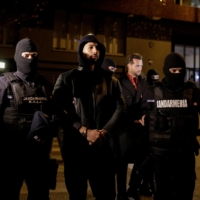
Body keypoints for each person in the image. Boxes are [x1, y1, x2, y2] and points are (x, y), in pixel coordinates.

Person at [52, 34, 126, 200]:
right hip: (75, 150)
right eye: (90, 47)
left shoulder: (111, 81)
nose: (95, 51)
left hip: (102, 150)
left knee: (106, 195)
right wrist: (83, 130)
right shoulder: (66, 78)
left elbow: (121, 109)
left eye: (97, 47)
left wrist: (104, 132)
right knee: (77, 195)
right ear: (81, 51)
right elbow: (57, 109)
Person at [0, 38, 55, 200]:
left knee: (40, 195)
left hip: (38, 155)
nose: (30, 59)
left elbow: (54, 114)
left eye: (34, 55)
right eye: (26, 55)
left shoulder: (44, 84)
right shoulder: (4, 83)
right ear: (18, 56)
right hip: (11, 155)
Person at [144, 52, 200, 200]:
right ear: (165, 70)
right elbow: (142, 115)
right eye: (173, 71)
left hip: (185, 153)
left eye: (180, 71)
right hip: (160, 155)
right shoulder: (153, 91)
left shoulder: (193, 92)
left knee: (185, 192)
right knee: (163, 194)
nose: (177, 74)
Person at [114, 53, 150, 200]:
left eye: (141, 65)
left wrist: (145, 116)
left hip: (140, 128)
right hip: (124, 128)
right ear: (129, 65)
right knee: (121, 163)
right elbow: (117, 106)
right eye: (137, 65)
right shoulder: (119, 82)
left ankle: (133, 187)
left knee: (145, 157)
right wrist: (130, 119)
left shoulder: (144, 82)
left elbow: (147, 102)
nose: (140, 68)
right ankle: (121, 193)